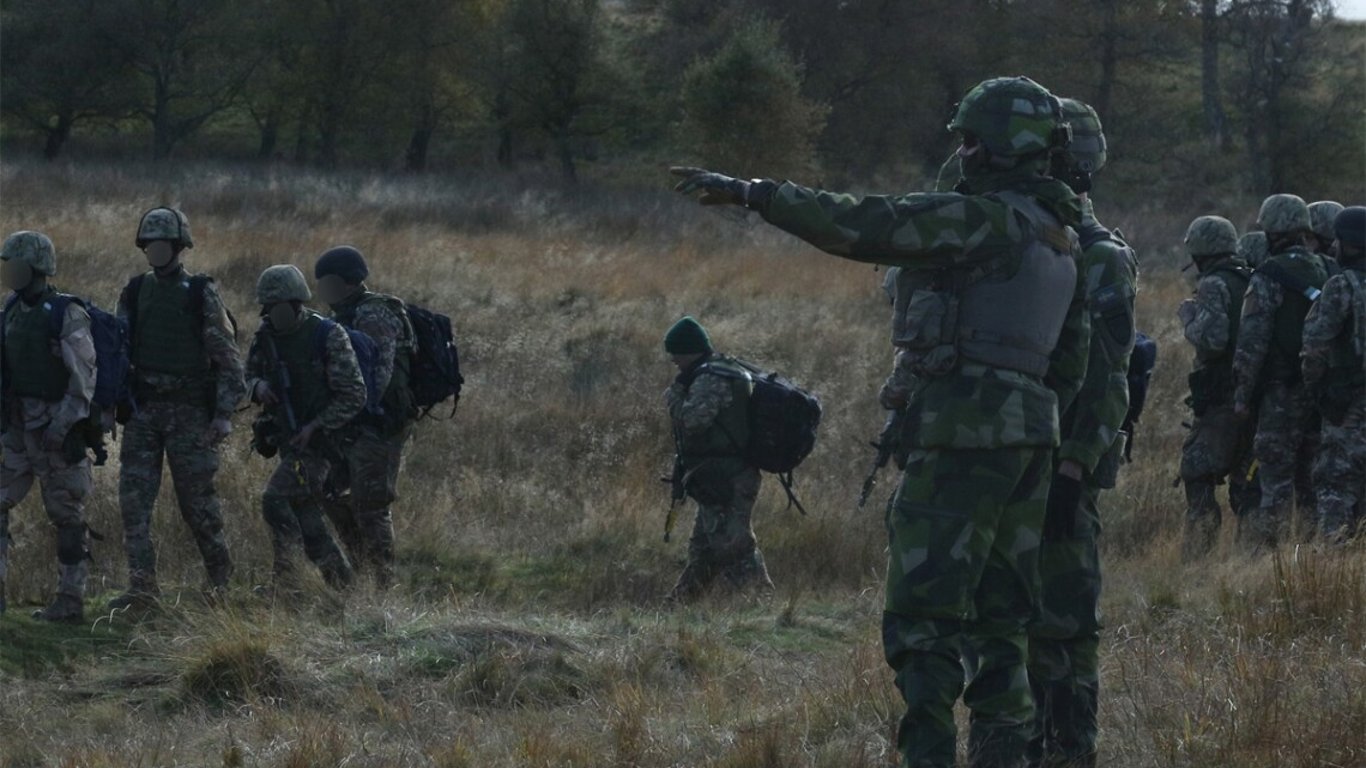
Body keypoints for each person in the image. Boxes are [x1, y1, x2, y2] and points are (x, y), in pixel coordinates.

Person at [673, 75, 1090, 768]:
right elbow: (1071, 364)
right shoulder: (1061, 238)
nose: (961, 151)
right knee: (1003, 621)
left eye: (969, 138)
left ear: (997, 144)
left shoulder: (987, 220)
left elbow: (867, 224)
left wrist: (757, 195)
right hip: (1029, 441)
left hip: (963, 433)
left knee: (923, 620)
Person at [1027, 98, 1137, 768]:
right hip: (1015, 459)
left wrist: (1074, 468)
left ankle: (1068, 751)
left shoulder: (1099, 256)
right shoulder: (1034, 243)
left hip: (1061, 466)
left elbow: (1108, 375)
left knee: (1064, 628)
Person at [111, 207, 245, 609]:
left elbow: (228, 360)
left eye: (162, 244)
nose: (155, 251)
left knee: (198, 506)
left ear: (178, 247)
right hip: (144, 411)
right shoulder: (135, 291)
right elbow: (119, 352)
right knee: (134, 504)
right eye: (149, 244)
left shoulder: (200, 292)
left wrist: (223, 415)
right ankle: (141, 587)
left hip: (189, 414)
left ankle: (220, 584)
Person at [245, 265, 364, 593]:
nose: (274, 316)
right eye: (269, 310)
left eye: (280, 309)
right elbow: (248, 373)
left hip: (323, 443)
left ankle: (287, 580)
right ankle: (342, 584)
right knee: (306, 514)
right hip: (288, 437)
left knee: (274, 499)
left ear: (296, 305)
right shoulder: (266, 335)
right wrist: (257, 387)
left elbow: (354, 393)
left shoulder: (327, 335)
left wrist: (316, 425)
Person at [0, 231, 97, 622]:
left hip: (57, 430)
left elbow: (83, 380)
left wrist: (62, 428)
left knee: (67, 515)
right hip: (19, 429)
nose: (10, 274)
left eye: (17, 266)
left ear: (37, 269)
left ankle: (70, 601)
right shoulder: (11, 310)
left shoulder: (66, 313)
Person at [312, 245, 416, 589]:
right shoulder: (339, 316)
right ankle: (360, 570)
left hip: (379, 425)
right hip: (348, 424)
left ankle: (384, 586)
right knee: (330, 495)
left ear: (347, 281)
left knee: (371, 504)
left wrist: (348, 411)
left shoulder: (375, 315)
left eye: (327, 282)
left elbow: (378, 377)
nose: (322, 290)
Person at [1233, 194, 1331, 548]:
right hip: (1323, 396)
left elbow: (1252, 342)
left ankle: (1267, 561)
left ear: (1272, 231)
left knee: (1274, 481)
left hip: (1280, 393)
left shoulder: (1268, 274)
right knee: (1311, 478)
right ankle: (1312, 552)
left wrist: (1243, 397)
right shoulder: (1329, 269)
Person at [663, 315, 773, 602]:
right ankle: (679, 606)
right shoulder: (721, 370)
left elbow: (692, 421)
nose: (674, 361)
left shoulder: (711, 378)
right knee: (704, 548)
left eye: (676, 355)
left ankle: (761, 604)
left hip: (727, 476)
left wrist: (674, 395)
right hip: (721, 474)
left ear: (689, 351)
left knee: (733, 546)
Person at [1177, 216, 1259, 558]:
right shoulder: (1251, 277)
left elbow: (1212, 340)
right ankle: (1251, 560)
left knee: (1196, 470)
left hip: (1222, 398)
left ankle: (1198, 559)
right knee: (1247, 482)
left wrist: (1188, 320)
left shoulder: (1214, 284)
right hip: (1254, 396)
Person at [1301, 206, 1365, 543]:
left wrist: (1319, 395)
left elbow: (1314, 347)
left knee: (1335, 486)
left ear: (1348, 244)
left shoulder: (1341, 285)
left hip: (1348, 406)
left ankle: (1335, 569)